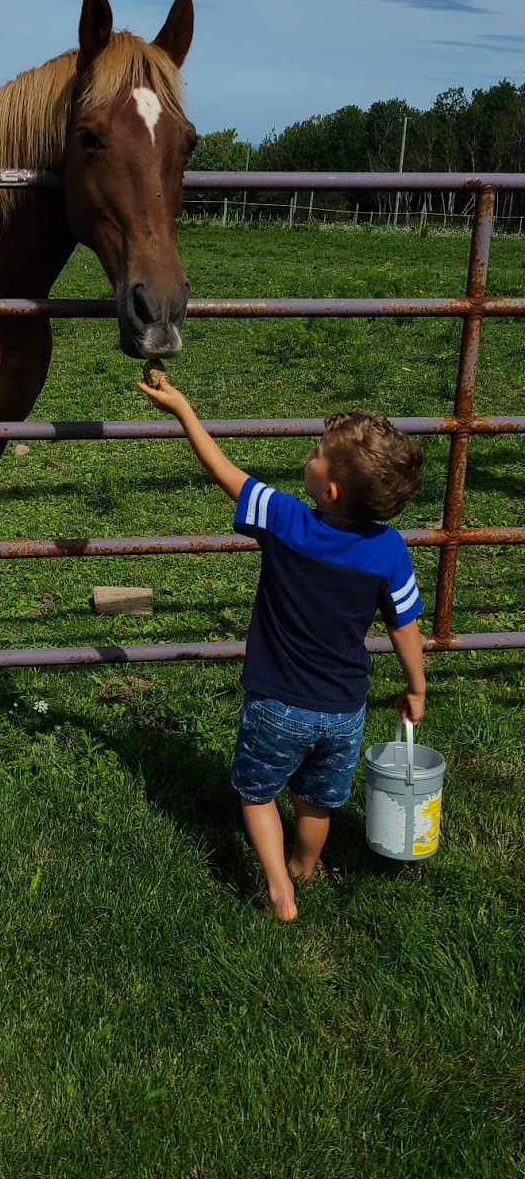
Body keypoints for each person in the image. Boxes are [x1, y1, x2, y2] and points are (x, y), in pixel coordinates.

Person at [137, 372, 426, 922]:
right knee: (316, 800)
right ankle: (303, 867)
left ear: (330, 490)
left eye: (317, 452)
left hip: (276, 701)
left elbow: (223, 470)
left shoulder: (286, 520)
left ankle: (277, 889)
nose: (310, 454)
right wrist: (416, 686)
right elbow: (405, 627)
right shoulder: (390, 551)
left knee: (257, 793)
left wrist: (182, 410)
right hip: (344, 708)